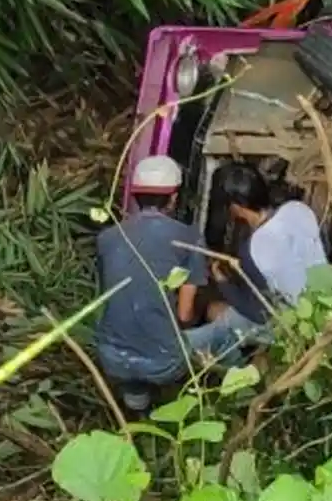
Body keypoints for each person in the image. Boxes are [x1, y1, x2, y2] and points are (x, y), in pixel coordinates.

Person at [94, 155, 246, 413]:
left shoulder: (106, 238)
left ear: (135, 196)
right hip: (162, 363)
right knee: (229, 329)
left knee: (133, 345)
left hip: (111, 359)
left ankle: (138, 409)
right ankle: (237, 398)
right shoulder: (188, 239)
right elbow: (184, 316)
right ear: (173, 197)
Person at [210, 162, 328, 311]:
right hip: (328, 301)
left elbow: (258, 313)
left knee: (213, 311)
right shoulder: (299, 209)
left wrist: (222, 283)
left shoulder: (253, 248)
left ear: (236, 207)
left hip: (296, 321)